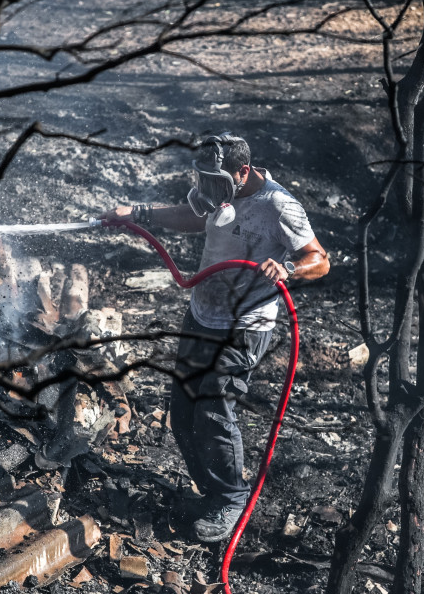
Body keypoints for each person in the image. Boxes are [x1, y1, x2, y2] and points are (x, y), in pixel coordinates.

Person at [99, 133, 329, 542]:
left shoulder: (278, 205)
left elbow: (320, 259)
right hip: (203, 315)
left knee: (212, 411)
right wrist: (138, 213)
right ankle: (211, 494)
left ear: (242, 172)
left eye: (215, 180)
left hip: (244, 326)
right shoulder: (216, 191)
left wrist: (289, 269)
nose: (207, 189)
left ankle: (231, 499)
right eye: (202, 179)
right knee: (183, 412)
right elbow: (194, 217)